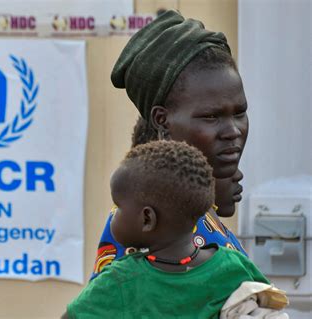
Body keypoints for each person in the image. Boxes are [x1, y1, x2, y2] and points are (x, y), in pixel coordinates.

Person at [92, 9, 249, 278]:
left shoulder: (193, 212)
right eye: (211, 116)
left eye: (239, 113)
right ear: (162, 120)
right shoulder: (144, 221)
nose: (233, 131)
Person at [66, 141, 268, 318]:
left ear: (147, 219)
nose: (114, 216)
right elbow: (270, 302)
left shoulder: (120, 281)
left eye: (117, 207)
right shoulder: (234, 265)